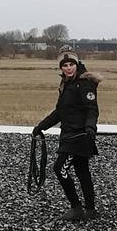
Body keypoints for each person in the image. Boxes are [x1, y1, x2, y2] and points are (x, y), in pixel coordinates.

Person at [32, 53, 99, 220]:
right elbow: (59, 112)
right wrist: (41, 127)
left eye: (71, 65)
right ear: (61, 68)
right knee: (82, 171)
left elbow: (92, 109)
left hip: (80, 136)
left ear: (77, 65)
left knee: (59, 169)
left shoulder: (85, 84)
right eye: (65, 65)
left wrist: (91, 126)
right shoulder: (66, 85)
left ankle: (77, 208)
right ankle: (90, 210)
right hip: (69, 134)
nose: (68, 68)